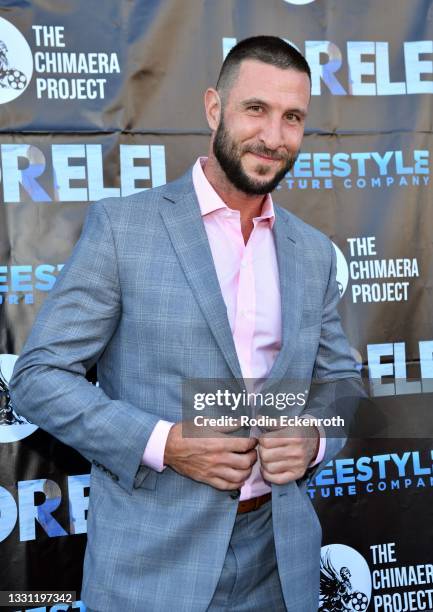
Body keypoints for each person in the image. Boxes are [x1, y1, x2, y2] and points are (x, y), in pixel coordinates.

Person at [10, 36, 361, 612]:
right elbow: (39, 376)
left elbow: (342, 382)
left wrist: (315, 438)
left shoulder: (314, 253)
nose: (274, 137)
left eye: (292, 117)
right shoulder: (126, 230)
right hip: (152, 567)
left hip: (281, 564)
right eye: (256, 109)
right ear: (214, 109)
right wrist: (164, 444)